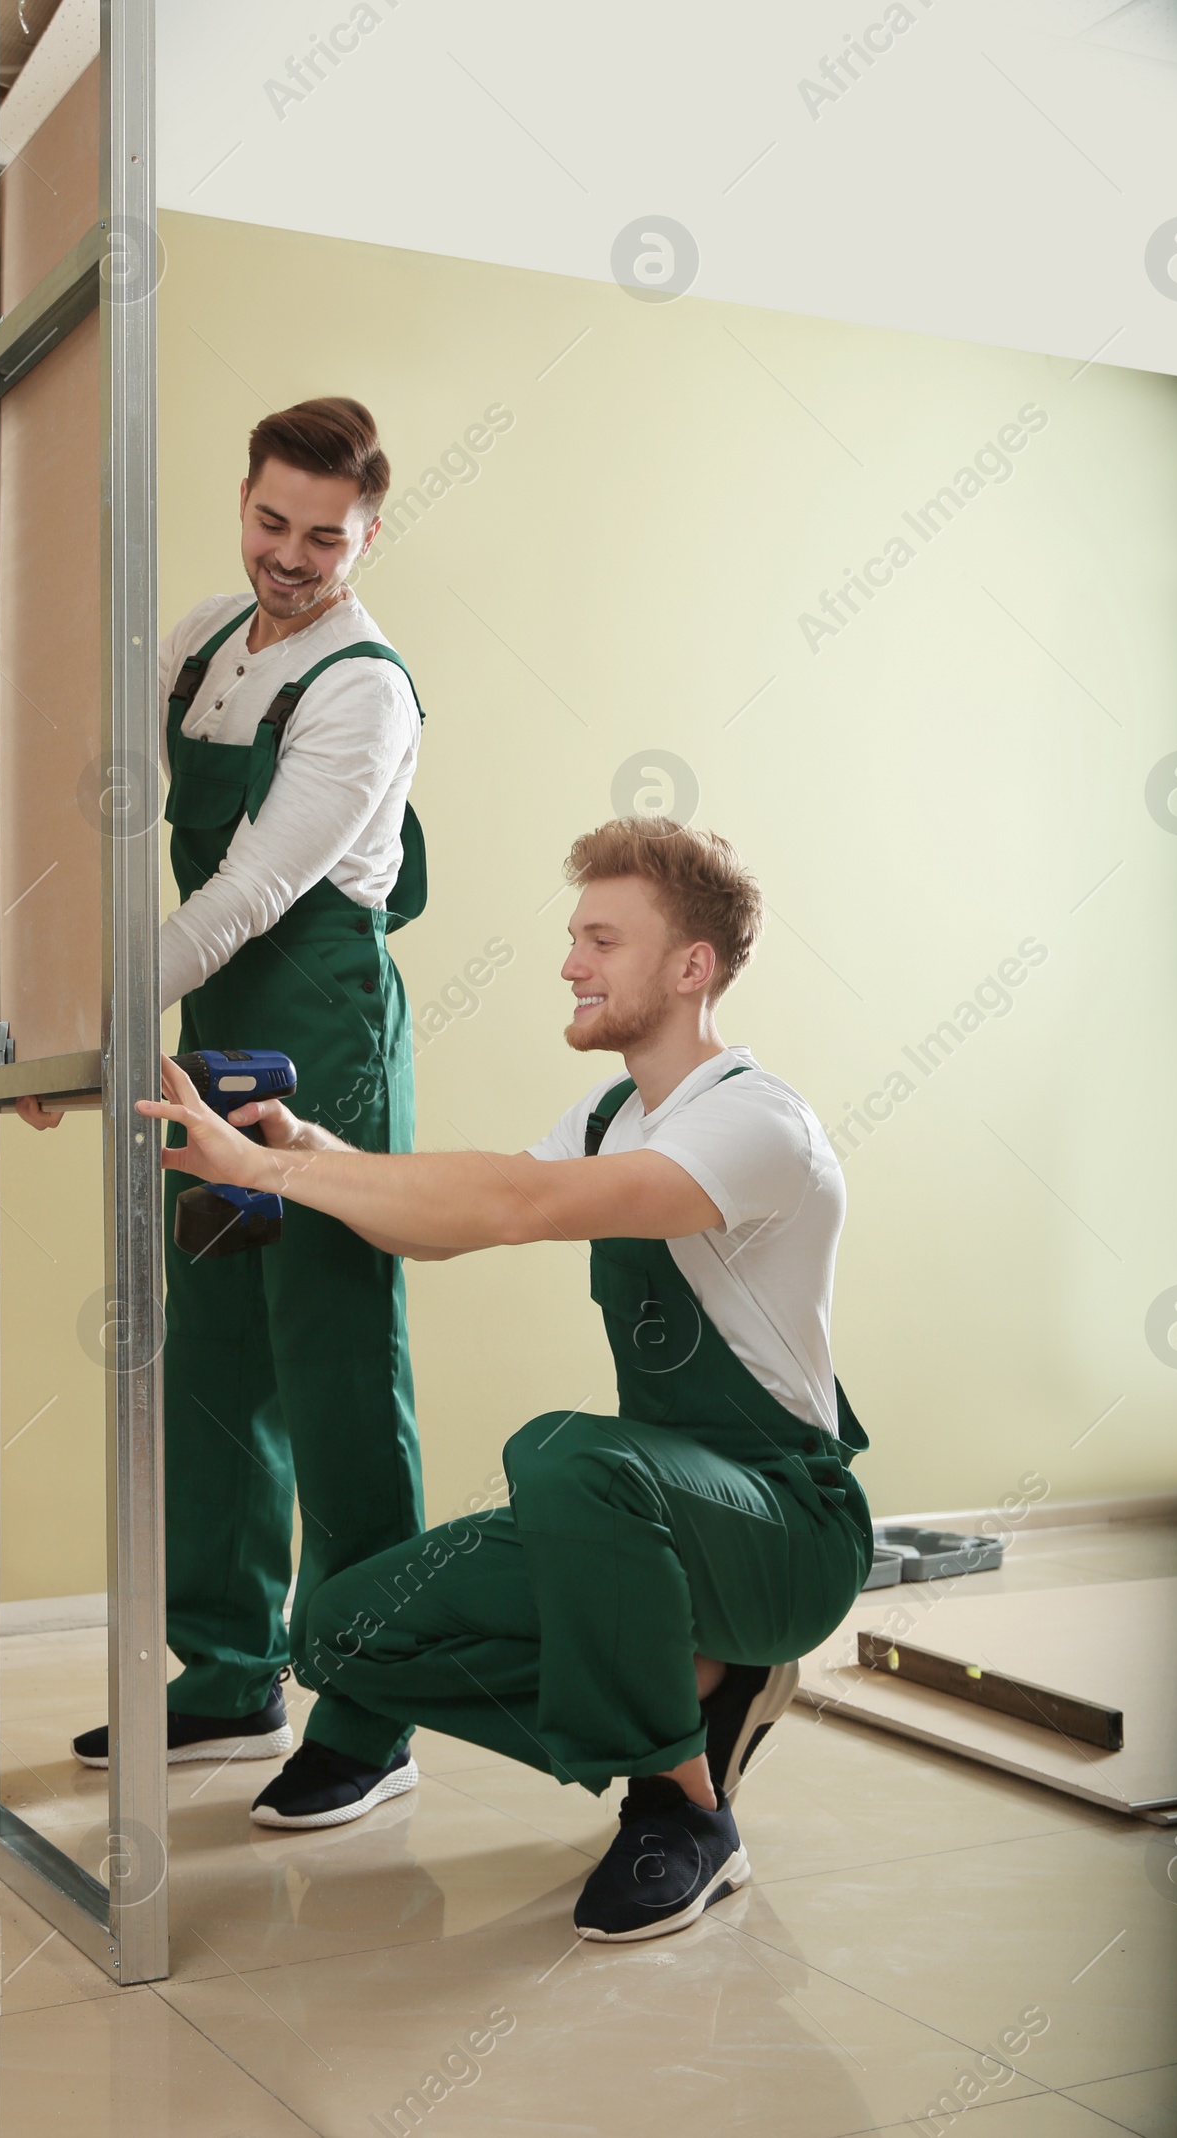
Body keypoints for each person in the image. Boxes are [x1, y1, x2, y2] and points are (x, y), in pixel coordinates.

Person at [137, 815, 873, 1928]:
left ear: (691, 968)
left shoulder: (754, 1125)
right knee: (340, 1634)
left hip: (780, 1528)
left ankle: (679, 1809)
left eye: (602, 941)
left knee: (561, 1455)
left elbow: (519, 1207)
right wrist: (296, 1148)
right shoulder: (614, 1113)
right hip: (646, 1520)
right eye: (575, 936)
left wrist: (260, 1169)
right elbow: (433, 1228)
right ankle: (696, 1691)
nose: (571, 963)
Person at [21, 397, 428, 1828]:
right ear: (243, 504)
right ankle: (232, 1671)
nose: (292, 556)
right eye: (272, 521)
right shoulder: (202, 640)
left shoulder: (362, 688)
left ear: (367, 532)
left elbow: (250, 892)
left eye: (326, 534)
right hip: (213, 1040)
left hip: (322, 1044)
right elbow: (85, 791)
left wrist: (96, 1028)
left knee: (333, 1365)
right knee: (214, 1361)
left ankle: (374, 1709)